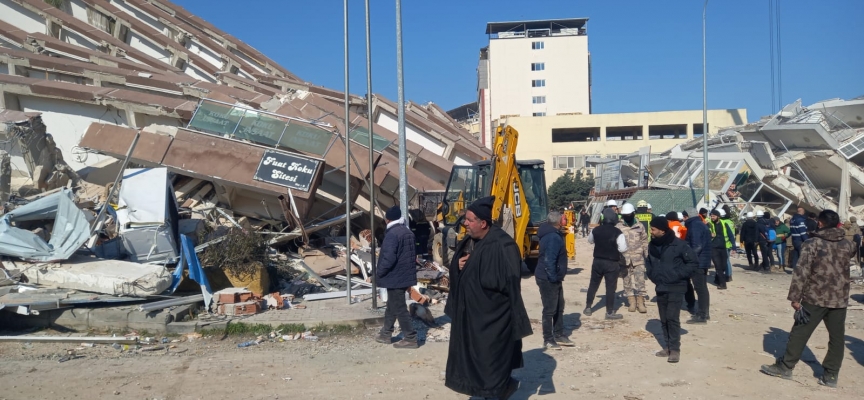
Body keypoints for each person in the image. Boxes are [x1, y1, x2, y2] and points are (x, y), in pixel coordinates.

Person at [445, 196, 531, 399]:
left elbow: (508, 284)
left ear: (483, 223)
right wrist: (458, 267)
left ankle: (500, 391)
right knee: (473, 361)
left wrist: (475, 268)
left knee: (492, 363)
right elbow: (459, 265)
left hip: (494, 321)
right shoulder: (470, 241)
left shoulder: (503, 246)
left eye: (470, 220)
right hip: (471, 320)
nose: (465, 223)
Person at [760, 210, 856, 388]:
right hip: (839, 298)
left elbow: (801, 271)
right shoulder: (848, 244)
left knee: (799, 333)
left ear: (819, 223)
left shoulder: (812, 243)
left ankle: (786, 366)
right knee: (837, 337)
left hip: (815, 296)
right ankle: (831, 375)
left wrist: (795, 297)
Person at [646, 216, 699, 363]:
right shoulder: (652, 245)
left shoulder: (679, 245)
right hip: (661, 285)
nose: (651, 231)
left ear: (662, 231)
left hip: (676, 286)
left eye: (653, 229)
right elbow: (649, 262)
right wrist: (652, 275)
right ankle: (667, 347)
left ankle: (675, 350)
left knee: (672, 317)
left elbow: (693, 263)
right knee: (663, 318)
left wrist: (677, 275)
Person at [375, 206, 419, 348]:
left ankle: (410, 338)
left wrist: (378, 273)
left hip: (394, 276)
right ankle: (385, 333)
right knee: (392, 305)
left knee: (399, 308)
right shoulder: (407, 232)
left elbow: (388, 258)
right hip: (404, 275)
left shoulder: (392, 234)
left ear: (387, 219)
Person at [535, 211, 573, 350]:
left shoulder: (554, 233)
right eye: (563, 217)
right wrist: (553, 278)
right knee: (550, 309)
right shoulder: (552, 237)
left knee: (559, 306)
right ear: (558, 221)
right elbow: (549, 260)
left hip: (554, 277)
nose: (565, 218)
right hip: (548, 278)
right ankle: (548, 339)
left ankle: (559, 334)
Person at [586, 208, 628, 320]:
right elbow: (623, 248)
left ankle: (588, 307)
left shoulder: (595, 230)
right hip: (612, 263)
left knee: (593, 284)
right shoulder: (618, 232)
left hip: (597, 261)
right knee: (610, 288)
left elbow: (590, 241)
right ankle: (609, 312)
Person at [617, 203, 648, 313]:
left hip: (638, 258)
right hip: (624, 259)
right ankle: (632, 302)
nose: (627, 216)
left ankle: (640, 302)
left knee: (640, 281)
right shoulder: (619, 227)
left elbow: (644, 241)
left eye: (629, 214)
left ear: (633, 213)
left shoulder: (639, 226)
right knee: (627, 281)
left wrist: (646, 255)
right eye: (625, 214)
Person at [684, 209, 713, 324]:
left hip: (698, 262)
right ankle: (704, 313)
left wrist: (689, 258)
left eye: (684, 217)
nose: (683, 219)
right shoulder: (700, 224)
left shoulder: (695, 226)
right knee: (702, 288)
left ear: (687, 217)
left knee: (700, 288)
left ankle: (702, 315)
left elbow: (697, 246)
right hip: (703, 260)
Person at [708, 209, 731, 289]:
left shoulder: (724, 223)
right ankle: (723, 284)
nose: (712, 217)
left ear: (718, 216)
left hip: (723, 247)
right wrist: (710, 234)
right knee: (718, 266)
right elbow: (704, 232)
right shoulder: (709, 223)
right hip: (713, 247)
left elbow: (730, 234)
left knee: (723, 266)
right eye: (711, 216)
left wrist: (733, 246)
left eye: (713, 216)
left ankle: (717, 279)